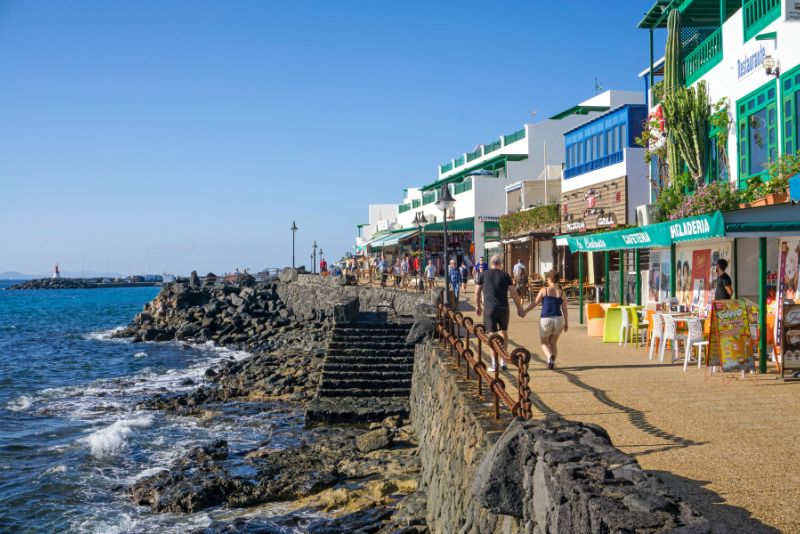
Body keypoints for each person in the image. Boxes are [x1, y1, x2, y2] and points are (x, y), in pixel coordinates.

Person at [475, 255, 524, 372]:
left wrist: (477, 306)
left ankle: (494, 363)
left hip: (489, 309)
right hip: (503, 308)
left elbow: (477, 292)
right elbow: (514, 293)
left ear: (491, 263)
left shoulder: (482, 275)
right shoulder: (505, 275)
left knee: (492, 336)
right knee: (504, 333)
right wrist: (519, 308)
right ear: (501, 263)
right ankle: (503, 361)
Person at [523, 270, 568, 370]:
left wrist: (525, 311)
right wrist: (566, 323)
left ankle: (549, 357)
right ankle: (551, 363)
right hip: (559, 319)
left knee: (544, 343)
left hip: (546, 319)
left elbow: (535, 303)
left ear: (549, 279)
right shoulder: (562, 293)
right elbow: (564, 308)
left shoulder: (544, 290)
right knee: (553, 343)